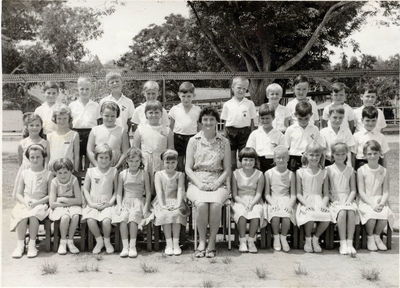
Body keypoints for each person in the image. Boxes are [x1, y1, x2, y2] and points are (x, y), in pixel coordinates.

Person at [185, 106, 231, 258]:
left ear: (217, 121)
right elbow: (188, 168)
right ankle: (202, 241)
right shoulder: (193, 141)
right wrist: (199, 184)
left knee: (216, 204)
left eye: (212, 119)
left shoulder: (224, 142)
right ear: (200, 122)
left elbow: (227, 169)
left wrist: (217, 183)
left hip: (218, 181)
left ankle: (212, 242)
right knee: (202, 204)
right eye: (205, 119)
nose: (208, 122)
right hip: (197, 181)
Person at [10, 144, 52, 258]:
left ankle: (32, 245)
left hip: (40, 204)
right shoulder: (25, 173)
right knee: (22, 216)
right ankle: (20, 246)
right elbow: (18, 193)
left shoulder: (48, 174)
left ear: (43, 157)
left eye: (38, 157)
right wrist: (24, 202)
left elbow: (50, 195)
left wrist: (37, 203)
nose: (35, 160)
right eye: (32, 157)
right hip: (26, 202)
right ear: (28, 158)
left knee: (33, 216)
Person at [112, 148, 151, 258]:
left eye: (137, 161)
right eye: (131, 161)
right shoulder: (123, 174)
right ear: (127, 162)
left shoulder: (144, 174)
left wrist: (146, 207)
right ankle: (125, 247)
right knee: (123, 218)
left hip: (139, 201)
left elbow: (148, 193)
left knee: (133, 218)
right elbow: (119, 193)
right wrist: (119, 205)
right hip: (125, 201)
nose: (134, 164)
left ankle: (132, 246)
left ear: (140, 162)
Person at [357, 140, 394, 251]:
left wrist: (382, 203)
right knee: (371, 215)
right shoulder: (361, 170)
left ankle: (377, 236)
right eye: (369, 154)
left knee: (384, 214)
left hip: (379, 199)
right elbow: (361, 192)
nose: (372, 156)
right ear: (364, 155)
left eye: (375, 153)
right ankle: (370, 237)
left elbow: (386, 191)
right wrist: (372, 204)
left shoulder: (384, 171)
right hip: (366, 200)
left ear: (380, 154)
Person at [82, 144, 117, 254]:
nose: (104, 160)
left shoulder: (113, 171)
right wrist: (91, 204)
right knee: (90, 220)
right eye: (101, 157)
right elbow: (85, 189)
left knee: (106, 221)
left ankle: (107, 241)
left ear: (110, 159)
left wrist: (110, 203)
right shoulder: (91, 171)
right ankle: (99, 240)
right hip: (93, 203)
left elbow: (116, 191)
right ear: (96, 158)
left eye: (106, 157)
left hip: (107, 203)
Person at [295, 142, 331, 253]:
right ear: (306, 155)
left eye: (317, 155)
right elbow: (298, 194)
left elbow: (326, 194)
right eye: (311, 155)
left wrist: (323, 204)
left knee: (327, 216)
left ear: (321, 156)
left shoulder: (324, 172)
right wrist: (306, 204)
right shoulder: (300, 172)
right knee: (309, 214)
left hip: (319, 200)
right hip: (305, 200)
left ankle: (316, 238)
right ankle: (308, 239)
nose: (314, 158)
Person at [153, 150, 188, 256]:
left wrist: (177, 204)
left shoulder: (180, 175)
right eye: (167, 162)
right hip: (162, 200)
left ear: (177, 162)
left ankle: (176, 243)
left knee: (177, 213)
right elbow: (159, 191)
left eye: (173, 162)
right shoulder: (158, 174)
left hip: (176, 200)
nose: (170, 165)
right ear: (163, 163)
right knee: (165, 213)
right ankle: (168, 243)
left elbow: (180, 190)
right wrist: (163, 205)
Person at [231, 147, 265, 254]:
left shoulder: (259, 174)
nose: (248, 162)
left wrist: (252, 203)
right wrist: (243, 203)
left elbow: (259, 193)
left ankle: (251, 240)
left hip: (255, 200)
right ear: (240, 160)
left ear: (255, 161)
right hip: (239, 200)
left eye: (251, 160)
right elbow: (235, 194)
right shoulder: (235, 174)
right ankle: (242, 241)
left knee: (256, 213)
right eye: (245, 159)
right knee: (241, 213)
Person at [326, 143, 357, 255]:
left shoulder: (350, 170)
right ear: (332, 155)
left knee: (351, 211)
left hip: (348, 198)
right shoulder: (328, 170)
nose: (340, 156)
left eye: (343, 154)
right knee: (342, 211)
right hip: (334, 200)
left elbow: (353, 190)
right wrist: (332, 200)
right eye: (337, 154)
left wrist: (349, 201)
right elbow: (325, 190)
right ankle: (342, 243)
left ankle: (350, 242)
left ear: (346, 154)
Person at [221, 76, 257, 169]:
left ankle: (242, 177)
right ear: (233, 88)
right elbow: (225, 122)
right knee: (231, 158)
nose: (241, 90)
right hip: (230, 132)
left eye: (244, 89)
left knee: (243, 157)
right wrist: (224, 136)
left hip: (245, 132)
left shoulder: (249, 103)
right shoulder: (227, 104)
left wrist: (252, 135)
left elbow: (253, 120)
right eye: (239, 88)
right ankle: (232, 177)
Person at [133, 101, 174, 182]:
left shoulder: (167, 130)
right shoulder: (140, 130)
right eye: (151, 112)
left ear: (161, 114)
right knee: (146, 183)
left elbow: (171, 148)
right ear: (146, 114)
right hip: (146, 161)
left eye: (156, 112)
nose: (154, 115)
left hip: (161, 161)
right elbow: (135, 149)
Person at [265, 146, 296, 252]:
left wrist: (290, 204)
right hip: (273, 199)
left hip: (286, 199)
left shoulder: (291, 174)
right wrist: (273, 203)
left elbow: (293, 195)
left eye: (283, 157)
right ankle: (276, 237)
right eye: (278, 157)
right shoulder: (268, 173)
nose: (281, 160)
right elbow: (267, 194)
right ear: (274, 159)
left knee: (286, 216)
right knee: (275, 216)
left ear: (288, 158)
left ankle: (283, 238)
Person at [49, 158, 82, 255]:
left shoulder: (74, 180)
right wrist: (63, 203)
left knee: (75, 216)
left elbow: (79, 200)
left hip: (72, 205)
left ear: (71, 171)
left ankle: (70, 241)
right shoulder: (54, 182)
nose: (63, 175)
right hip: (59, 207)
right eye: (60, 173)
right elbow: (52, 203)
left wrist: (64, 200)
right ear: (56, 173)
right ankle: (63, 242)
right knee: (65, 217)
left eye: (65, 172)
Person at [12, 113, 50, 198]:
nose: (34, 127)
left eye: (37, 125)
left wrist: (45, 172)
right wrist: (23, 171)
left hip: (40, 171)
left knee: (38, 192)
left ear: (41, 126)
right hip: (26, 170)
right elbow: (20, 160)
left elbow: (47, 160)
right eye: (31, 125)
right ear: (27, 127)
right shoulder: (23, 143)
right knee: (25, 192)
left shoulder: (45, 143)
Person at [69, 77, 101, 172]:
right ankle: (77, 183)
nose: (84, 91)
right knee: (77, 158)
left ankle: (87, 181)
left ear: (91, 89)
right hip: (76, 132)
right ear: (77, 89)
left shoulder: (95, 105)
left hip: (91, 133)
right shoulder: (72, 105)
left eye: (87, 89)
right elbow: (69, 122)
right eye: (82, 89)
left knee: (89, 158)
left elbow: (99, 122)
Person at [168, 82, 201, 171]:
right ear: (179, 95)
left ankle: (189, 181)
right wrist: (170, 142)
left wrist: (199, 139)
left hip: (192, 138)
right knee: (179, 161)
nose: (186, 99)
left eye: (189, 96)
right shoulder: (174, 109)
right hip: (177, 137)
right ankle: (180, 179)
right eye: (183, 96)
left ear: (193, 95)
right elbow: (170, 127)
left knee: (190, 162)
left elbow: (200, 127)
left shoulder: (197, 110)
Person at [284, 101, 325, 172]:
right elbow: (286, 147)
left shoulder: (315, 129)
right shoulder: (290, 129)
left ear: (311, 115)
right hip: (294, 158)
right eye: (300, 119)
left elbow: (319, 146)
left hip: (310, 159)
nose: (303, 121)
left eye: (306, 118)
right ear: (295, 115)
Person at [87, 101, 129, 169]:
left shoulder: (122, 131)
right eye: (106, 116)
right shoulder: (95, 130)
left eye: (113, 116)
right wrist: (97, 165)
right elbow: (89, 151)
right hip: (97, 168)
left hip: (115, 168)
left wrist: (116, 167)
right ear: (101, 114)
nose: (110, 119)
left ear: (117, 116)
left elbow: (125, 152)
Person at [246, 103, 285, 173]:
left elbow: (283, 151)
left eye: (267, 118)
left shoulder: (279, 135)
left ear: (273, 117)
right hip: (258, 163)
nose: (265, 121)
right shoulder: (254, 134)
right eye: (262, 118)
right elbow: (250, 150)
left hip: (274, 163)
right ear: (259, 118)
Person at [47, 104, 80, 172]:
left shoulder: (74, 135)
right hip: (53, 170)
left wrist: (75, 169)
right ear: (55, 119)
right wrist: (47, 170)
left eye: (65, 118)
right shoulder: (49, 136)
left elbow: (76, 156)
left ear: (69, 119)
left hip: (67, 170)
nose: (62, 121)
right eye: (59, 118)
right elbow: (48, 156)